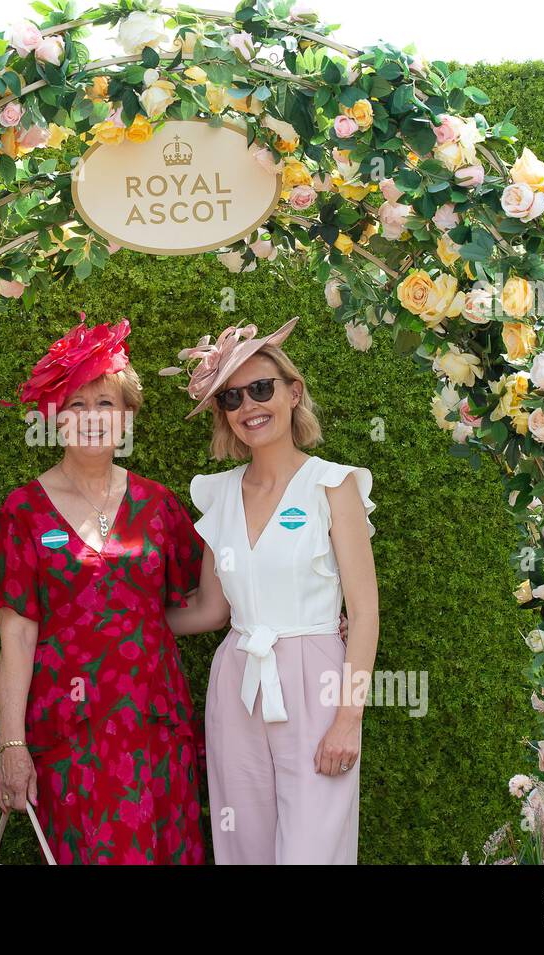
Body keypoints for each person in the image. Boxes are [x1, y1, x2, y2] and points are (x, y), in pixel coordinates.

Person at [0, 317, 206, 864]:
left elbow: (201, 607)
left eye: (105, 404)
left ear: (126, 416)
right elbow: (18, 637)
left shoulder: (159, 504)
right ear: (54, 418)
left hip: (155, 721)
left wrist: (307, 620)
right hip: (69, 728)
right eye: (75, 406)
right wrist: (13, 746)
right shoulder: (22, 512)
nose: (91, 419)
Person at [163, 317, 379, 864]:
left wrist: (348, 720)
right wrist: (119, 617)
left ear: (293, 392)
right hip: (237, 680)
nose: (249, 407)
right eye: (232, 398)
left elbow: (366, 614)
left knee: (312, 851)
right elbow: (212, 610)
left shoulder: (333, 485)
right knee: (244, 847)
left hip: (317, 678)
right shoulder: (218, 496)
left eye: (262, 388)